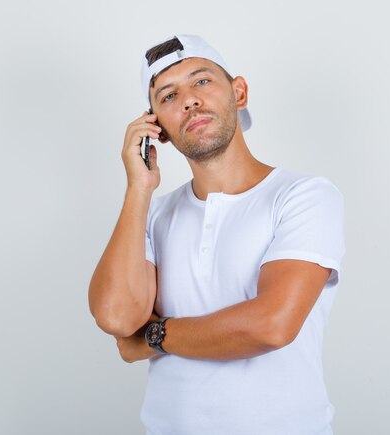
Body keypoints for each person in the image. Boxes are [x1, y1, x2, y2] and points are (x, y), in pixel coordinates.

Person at [88, 34, 345, 435]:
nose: (189, 99)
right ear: (158, 128)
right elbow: (118, 319)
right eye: (168, 96)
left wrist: (153, 335)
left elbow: (270, 325)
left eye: (202, 81)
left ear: (238, 92)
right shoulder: (153, 214)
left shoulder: (303, 196)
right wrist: (139, 188)